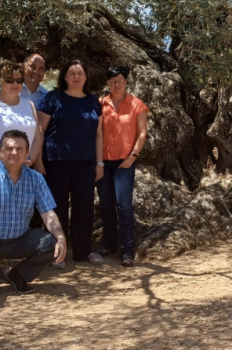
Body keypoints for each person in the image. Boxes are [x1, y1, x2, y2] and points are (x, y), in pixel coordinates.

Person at [0, 130, 67, 297]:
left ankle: (18, 276)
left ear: (27, 153)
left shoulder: (35, 179)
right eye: (9, 148)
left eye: (19, 149)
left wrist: (61, 237)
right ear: (0, 151)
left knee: (52, 244)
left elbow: (48, 213)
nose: (14, 152)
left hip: (19, 240)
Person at [37, 60, 104, 264]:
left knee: (84, 207)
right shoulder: (53, 97)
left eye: (80, 73)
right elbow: (40, 130)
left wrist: (99, 163)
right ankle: (57, 252)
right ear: (64, 77)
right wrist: (38, 160)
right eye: (72, 73)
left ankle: (83, 251)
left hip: (85, 163)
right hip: (56, 161)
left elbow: (99, 134)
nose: (76, 77)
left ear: (86, 77)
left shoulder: (93, 101)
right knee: (56, 207)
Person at [98, 65, 150, 266]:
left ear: (126, 81)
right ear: (107, 83)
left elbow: (142, 133)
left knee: (124, 205)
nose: (116, 84)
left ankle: (127, 249)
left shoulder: (137, 104)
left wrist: (133, 156)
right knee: (106, 205)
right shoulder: (100, 104)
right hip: (103, 162)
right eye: (112, 81)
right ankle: (109, 244)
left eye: (119, 80)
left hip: (125, 162)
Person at [0, 61, 43, 172]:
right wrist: (6, 161)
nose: (15, 84)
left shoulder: (29, 104)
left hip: (23, 169)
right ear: (1, 81)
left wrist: (30, 161)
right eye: (10, 80)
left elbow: (37, 138)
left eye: (19, 80)